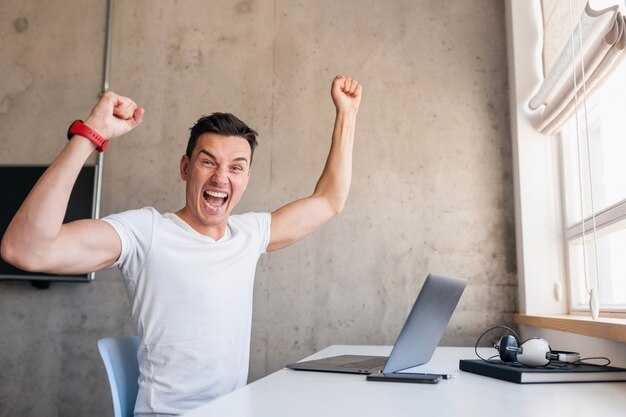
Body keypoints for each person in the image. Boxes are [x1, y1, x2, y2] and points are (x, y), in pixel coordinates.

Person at [1, 75, 362, 416]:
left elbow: (329, 200)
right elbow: (25, 250)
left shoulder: (248, 235)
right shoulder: (146, 232)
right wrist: (89, 134)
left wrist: (347, 114)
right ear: (185, 167)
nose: (221, 177)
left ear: (246, 178)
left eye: (236, 167)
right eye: (209, 162)